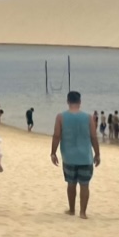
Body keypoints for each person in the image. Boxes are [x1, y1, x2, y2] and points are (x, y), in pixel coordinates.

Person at [51, 91, 101, 219]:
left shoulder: (60, 117)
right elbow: (93, 137)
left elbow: (56, 136)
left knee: (71, 184)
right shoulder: (89, 117)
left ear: (68, 101)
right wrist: (97, 154)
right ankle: (83, 213)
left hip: (68, 157)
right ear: (80, 102)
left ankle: (72, 209)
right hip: (85, 157)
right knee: (85, 185)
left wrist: (53, 152)